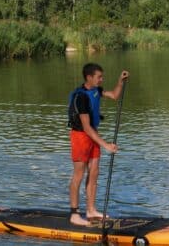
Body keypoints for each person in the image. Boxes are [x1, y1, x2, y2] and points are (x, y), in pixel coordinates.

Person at [67, 63, 129, 226]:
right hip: (80, 136)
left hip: (92, 135)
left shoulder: (96, 91)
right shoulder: (80, 97)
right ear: (89, 77)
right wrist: (106, 145)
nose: (102, 79)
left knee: (94, 172)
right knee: (78, 175)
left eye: (102, 77)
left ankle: (91, 210)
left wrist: (120, 81)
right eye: (99, 77)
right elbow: (86, 127)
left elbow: (115, 95)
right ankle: (74, 214)